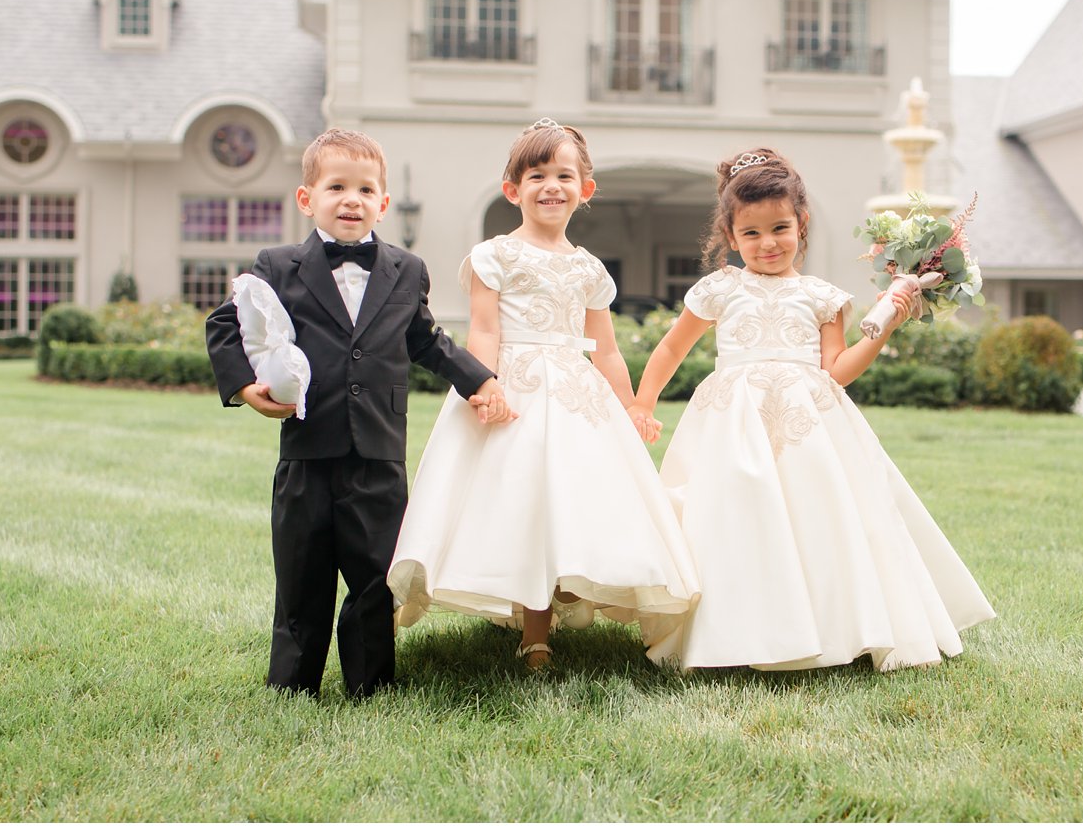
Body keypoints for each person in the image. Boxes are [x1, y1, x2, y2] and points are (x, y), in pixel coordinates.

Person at [627, 148, 995, 672]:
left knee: (819, 517)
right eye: (750, 234)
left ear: (801, 224)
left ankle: (829, 626)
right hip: (732, 422)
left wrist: (885, 324)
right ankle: (730, 630)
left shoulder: (824, 297)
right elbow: (669, 349)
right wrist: (643, 400)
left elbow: (838, 370)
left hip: (810, 423)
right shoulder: (719, 289)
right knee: (734, 517)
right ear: (730, 237)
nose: (767, 243)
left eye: (779, 228)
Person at [206, 127, 510, 698]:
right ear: (307, 198)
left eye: (366, 190)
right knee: (302, 574)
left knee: (375, 574)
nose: (352, 200)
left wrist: (480, 380)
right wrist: (248, 389)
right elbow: (225, 324)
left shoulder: (406, 269)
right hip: (306, 448)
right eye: (337, 187)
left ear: (383, 203)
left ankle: (371, 683)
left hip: (377, 451)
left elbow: (426, 340)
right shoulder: (277, 264)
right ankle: (293, 684)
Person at [387, 118, 698, 670]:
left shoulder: (589, 269)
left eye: (563, 175)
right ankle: (533, 630)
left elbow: (602, 348)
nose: (550, 185)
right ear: (513, 190)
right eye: (536, 175)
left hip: (576, 394)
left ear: (585, 189)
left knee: (573, 496)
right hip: (512, 388)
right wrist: (483, 386)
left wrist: (628, 404)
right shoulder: (495, 256)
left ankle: (567, 589)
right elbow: (484, 330)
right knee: (517, 497)